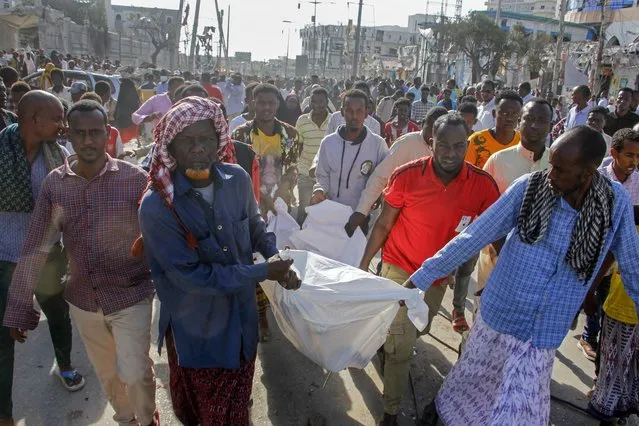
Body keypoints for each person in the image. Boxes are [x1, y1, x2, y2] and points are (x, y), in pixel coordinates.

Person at [414, 125, 639, 426]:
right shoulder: (528, 188)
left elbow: (632, 266)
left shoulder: (614, 203)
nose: (550, 174)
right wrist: (421, 277)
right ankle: (442, 409)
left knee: (519, 408)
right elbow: (474, 236)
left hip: (545, 328)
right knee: (473, 379)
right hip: (501, 312)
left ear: (587, 172)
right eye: (551, 164)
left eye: (560, 169)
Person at [137, 96, 299, 425]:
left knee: (235, 409)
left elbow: (254, 225)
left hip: (241, 323)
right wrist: (263, 270)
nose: (198, 148)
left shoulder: (237, 179)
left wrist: (274, 254)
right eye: (188, 140)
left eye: (206, 139)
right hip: (197, 336)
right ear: (170, 145)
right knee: (203, 415)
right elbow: (193, 277)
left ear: (219, 140)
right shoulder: (157, 207)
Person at [5, 99, 157, 425]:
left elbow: (161, 232)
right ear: (68, 136)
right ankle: (127, 418)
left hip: (131, 293)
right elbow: (36, 246)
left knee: (134, 370)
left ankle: (146, 421)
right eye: (80, 133)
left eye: (95, 132)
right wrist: (18, 306)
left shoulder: (135, 180)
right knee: (108, 374)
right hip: (84, 300)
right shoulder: (55, 185)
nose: (88, 140)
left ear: (107, 134)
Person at [360, 113, 500, 426]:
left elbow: (497, 230)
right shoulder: (406, 176)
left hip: (437, 275)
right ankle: (391, 413)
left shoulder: (481, 185)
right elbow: (384, 223)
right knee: (401, 349)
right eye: (443, 145)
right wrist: (363, 262)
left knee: (417, 330)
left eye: (459, 146)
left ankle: (389, 340)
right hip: (399, 268)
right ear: (430, 143)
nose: (451, 153)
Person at [0, 91, 85, 426]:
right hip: (5, 258)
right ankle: (4, 413)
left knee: (58, 316)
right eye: (56, 118)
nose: (62, 125)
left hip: (48, 255)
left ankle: (64, 365)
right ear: (34, 119)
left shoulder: (59, 154)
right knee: (4, 335)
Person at [232, 84, 298, 341]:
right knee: (256, 261)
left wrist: (276, 198)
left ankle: (279, 310)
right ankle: (260, 318)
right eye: (261, 103)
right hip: (250, 205)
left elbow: (292, 170)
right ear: (252, 104)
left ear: (277, 105)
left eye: (271, 103)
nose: (267, 107)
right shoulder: (240, 134)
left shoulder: (290, 134)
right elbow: (239, 173)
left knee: (280, 257)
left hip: (280, 206)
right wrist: (261, 200)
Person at [587, 128, 639, 425]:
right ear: (615, 153)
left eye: (638, 157)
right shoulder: (598, 178)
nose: (634, 162)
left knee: (615, 329)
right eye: (629, 155)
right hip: (596, 259)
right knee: (595, 312)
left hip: (620, 266)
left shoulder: (638, 182)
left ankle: (605, 386)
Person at [346, 107, 448, 234]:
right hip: (399, 220)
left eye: (437, 130)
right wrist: (361, 211)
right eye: (430, 128)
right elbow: (380, 177)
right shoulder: (407, 144)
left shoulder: (448, 151)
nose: (432, 134)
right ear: (422, 124)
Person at [312, 89, 389, 235]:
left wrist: (365, 210)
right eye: (349, 111)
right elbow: (322, 176)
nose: (354, 116)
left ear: (366, 112)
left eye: (359, 111)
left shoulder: (378, 145)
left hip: (360, 218)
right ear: (342, 112)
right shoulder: (328, 143)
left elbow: (383, 181)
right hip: (331, 214)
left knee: (355, 257)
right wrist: (319, 190)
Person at [296, 87, 331, 224]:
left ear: (327, 102)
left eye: (321, 102)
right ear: (310, 102)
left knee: (322, 212)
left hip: (326, 176)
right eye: (314, 102)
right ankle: (298, 241)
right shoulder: (302, 120)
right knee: (304, 209)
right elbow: (298, 146)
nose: (318, 105)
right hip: (305, 172)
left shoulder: (333, 121)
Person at [465, 90, 523, 168]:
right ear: (494, 113)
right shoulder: (476, 141)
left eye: (515, 114)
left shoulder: (523, 143)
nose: (509, 118)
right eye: (504, 113)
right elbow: (466, 172)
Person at [114, 78, 141, 144]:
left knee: (121, 128)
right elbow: (136, 100)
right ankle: (138, 142)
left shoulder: (123, 87)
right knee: (133, 128)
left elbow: (120, 99)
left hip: (122, 111)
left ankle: (120, 142)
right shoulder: (132, 88)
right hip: (131, 111)